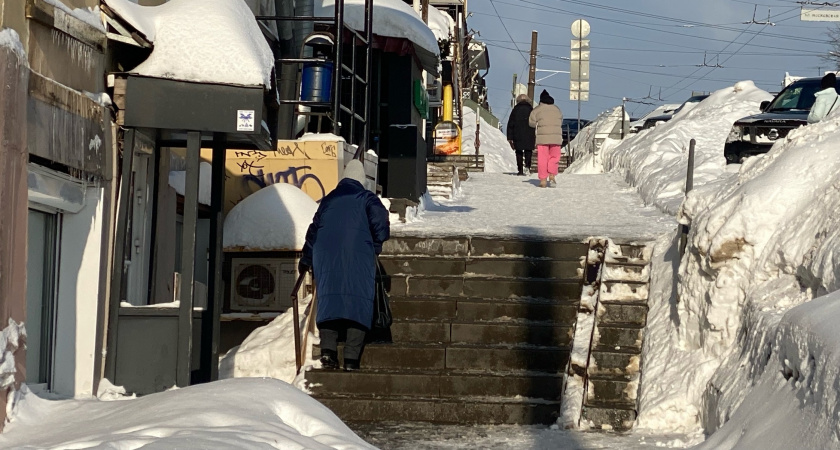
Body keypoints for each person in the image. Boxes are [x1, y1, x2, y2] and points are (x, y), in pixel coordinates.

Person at [299, 160, 390, 371]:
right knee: (358, 302)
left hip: (326, 256)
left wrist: (306, 259)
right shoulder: (366, 198)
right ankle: (351, 359)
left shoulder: (329, 199)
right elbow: (381, 223)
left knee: (329, 302)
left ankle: (328, 353)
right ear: (361, 180)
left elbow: (314, 230)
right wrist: (375, 244)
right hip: (358, 256)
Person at [529, 89, 564, 188]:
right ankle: (552, 176)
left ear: (541, 101)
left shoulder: (537, 109)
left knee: (542, 158)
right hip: (556, 138)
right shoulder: (557, 109)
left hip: (542, 139)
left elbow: (531, 123)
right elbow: (561, 121)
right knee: (554, 157)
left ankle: (543, 180)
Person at [506, 94, 536, 176]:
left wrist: (509, 137)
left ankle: (520, 170)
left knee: (518, 151)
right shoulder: (531, 109)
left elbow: (510, 124)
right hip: (529, 133)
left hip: (517, 133)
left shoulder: (515, 110)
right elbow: (535, 122)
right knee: (528, 151)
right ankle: (527, 166)